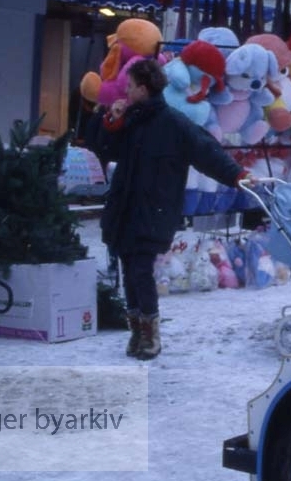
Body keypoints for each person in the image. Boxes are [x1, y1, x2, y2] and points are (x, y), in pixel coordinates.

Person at [95, 58, 254, 360]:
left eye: (129, 87)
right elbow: (105, 149)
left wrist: (237, 176)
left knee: (140, 271)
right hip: (125, 208)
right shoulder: (130, 118)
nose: (125, 92)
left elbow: (208, 153)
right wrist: (110, 123)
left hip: (153, 210)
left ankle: (150, 335)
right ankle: (137, 333)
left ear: (143, 88)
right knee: (129, 271)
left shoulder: (174, 124)